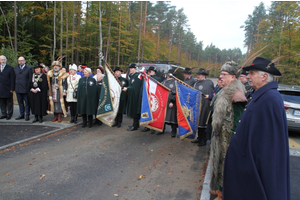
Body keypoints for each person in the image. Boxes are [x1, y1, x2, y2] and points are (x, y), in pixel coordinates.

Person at [223, 57, 290, 200]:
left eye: (252, 73)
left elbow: (268, 147)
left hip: (255, 171)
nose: (248, 76)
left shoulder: (270, 99)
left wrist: (250, 168)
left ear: (264, 76)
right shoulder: (260, 96)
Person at [209, 61, 247, 199]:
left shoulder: (236, 94)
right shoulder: (223, 91)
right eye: (220, 74)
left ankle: (225, 194)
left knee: (226, 167)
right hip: (220, 137)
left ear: (233, 77)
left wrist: (234, 142)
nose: (221, 77)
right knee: (218, 164)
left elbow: (239, 121)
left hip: (228, 140)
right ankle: (219, 190)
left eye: (224, 74)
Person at [191, 68, 214, 146]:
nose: (198, 76)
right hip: (197, 106)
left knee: (204, 122)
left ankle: (203, 139)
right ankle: (199, 137)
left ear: (204, 75)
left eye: (199, 74)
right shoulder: (195, 83)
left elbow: (211, 94)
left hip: (205, 106)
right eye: (197, 74)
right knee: (198, 123)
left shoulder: (209, 83)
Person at [141, 66, 162, 133]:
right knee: (146, 111)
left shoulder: (158, 79)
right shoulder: (146, 78)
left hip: (154, 97)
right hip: (147, 97)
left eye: (150, 71)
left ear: (154, 72)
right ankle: (146, 126)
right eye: (148, 71)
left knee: (154, 112)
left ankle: (153, 127)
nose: (148, 72)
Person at [123, 64, 143, 131]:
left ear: (135, 69)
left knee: (135, 110)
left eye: (132, 68)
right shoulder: (132, 76)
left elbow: (136, 88)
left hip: (135, 96)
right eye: (130, 68)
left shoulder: (137, 76)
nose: (130, 69)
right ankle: (135, 124)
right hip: (132, 95)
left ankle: (135, 125)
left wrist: (128, 88)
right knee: (133, 110)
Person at [158, 69, 178, 137]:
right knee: (163, 116)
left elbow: (176, 93)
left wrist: (172, 101)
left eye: (168, 74)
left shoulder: (175, 82)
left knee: (172, 117)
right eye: (167, 74)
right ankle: (162, 129)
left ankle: (173, 131)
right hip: (164, 101)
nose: (167, 75)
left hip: (171, 102)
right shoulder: (164, 82)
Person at [14, 56, 32, 121]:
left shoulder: (29, 68)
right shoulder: (16, 68)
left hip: (26, 88)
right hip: (18, 88)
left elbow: (30, 79)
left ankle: (27, 114)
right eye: (19, 61)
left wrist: (29, 87)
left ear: (24, 61)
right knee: (20, 102)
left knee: (27, 103)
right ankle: (21, 114)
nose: (20, 62)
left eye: (22, 60)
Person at [0, 55, 15, 120]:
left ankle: (9, 114)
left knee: (9, 102)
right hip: (0, 88)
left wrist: (12, 88)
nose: (3, 61)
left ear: (6, 60)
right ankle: (4, 114)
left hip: (8, 88)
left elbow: (12, 79)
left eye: (4, 59)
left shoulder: (10, 68)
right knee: (2, 102)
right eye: (1, 59)